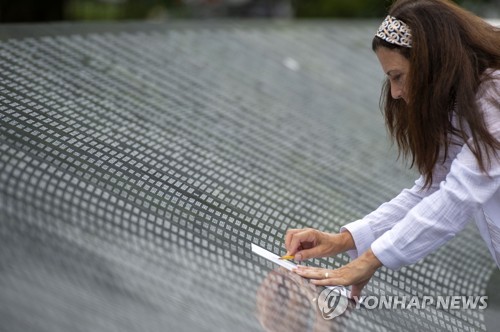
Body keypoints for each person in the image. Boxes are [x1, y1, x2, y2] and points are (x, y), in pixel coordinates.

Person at [284, 0, 500, 299]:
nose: (396, 93)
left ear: (431, 62)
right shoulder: (464, 98)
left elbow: (458, 195)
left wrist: (370, 260)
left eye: (398, 76)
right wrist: (344, 240)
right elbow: (435, 189)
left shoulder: (495, 93)